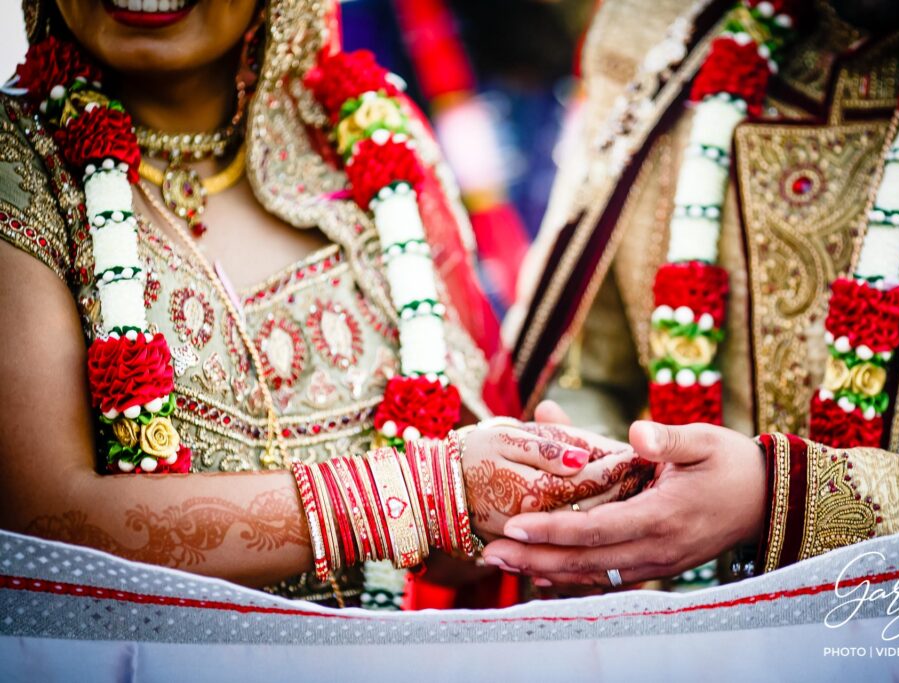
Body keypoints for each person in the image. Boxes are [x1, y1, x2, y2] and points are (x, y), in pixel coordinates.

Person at [0, 0, 649, 611]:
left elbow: (460, 548)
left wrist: (559, 502)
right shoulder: (20, 167)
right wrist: (418, 494)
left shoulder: (370, 151)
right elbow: (41, 525)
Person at [489, 0, 899, 587]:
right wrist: (595, 478)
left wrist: (779, 499)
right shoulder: (657, 34)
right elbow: (588, 369)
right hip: (673, 642)